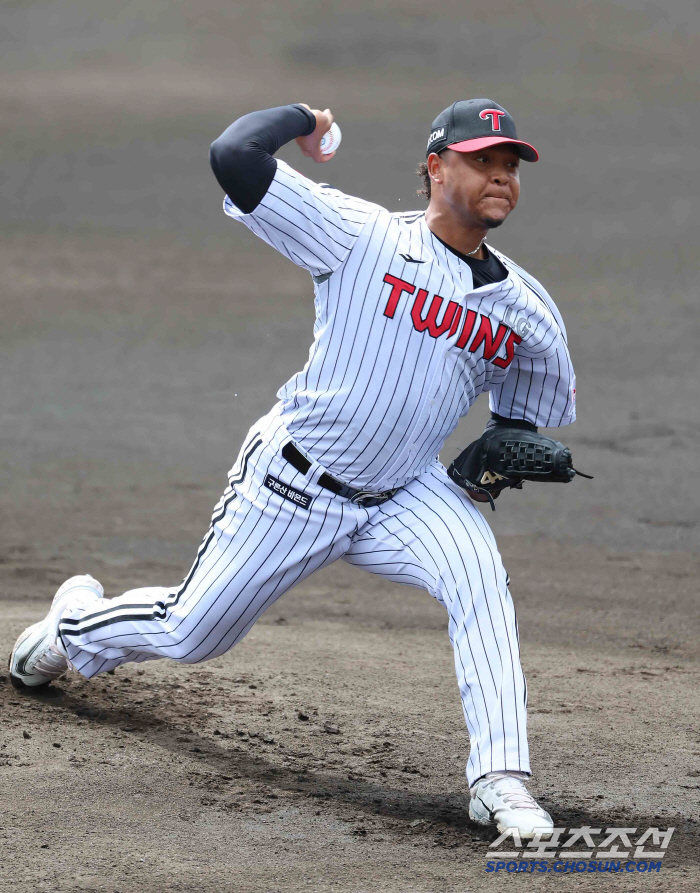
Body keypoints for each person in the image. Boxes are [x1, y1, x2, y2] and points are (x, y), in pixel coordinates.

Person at [9, 99, 577, 839]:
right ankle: (75, 626)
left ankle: (500, 778)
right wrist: (302, 119)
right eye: (482, 160)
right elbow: (235, 158)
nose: (500, 176)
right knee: (193, 631)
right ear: (435, 169)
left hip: (407, 490)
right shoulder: (359, 235)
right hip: (293, 481)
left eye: (509, 165)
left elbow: (515, 428)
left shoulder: (527, 309)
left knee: (481, 581)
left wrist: (486, 476)